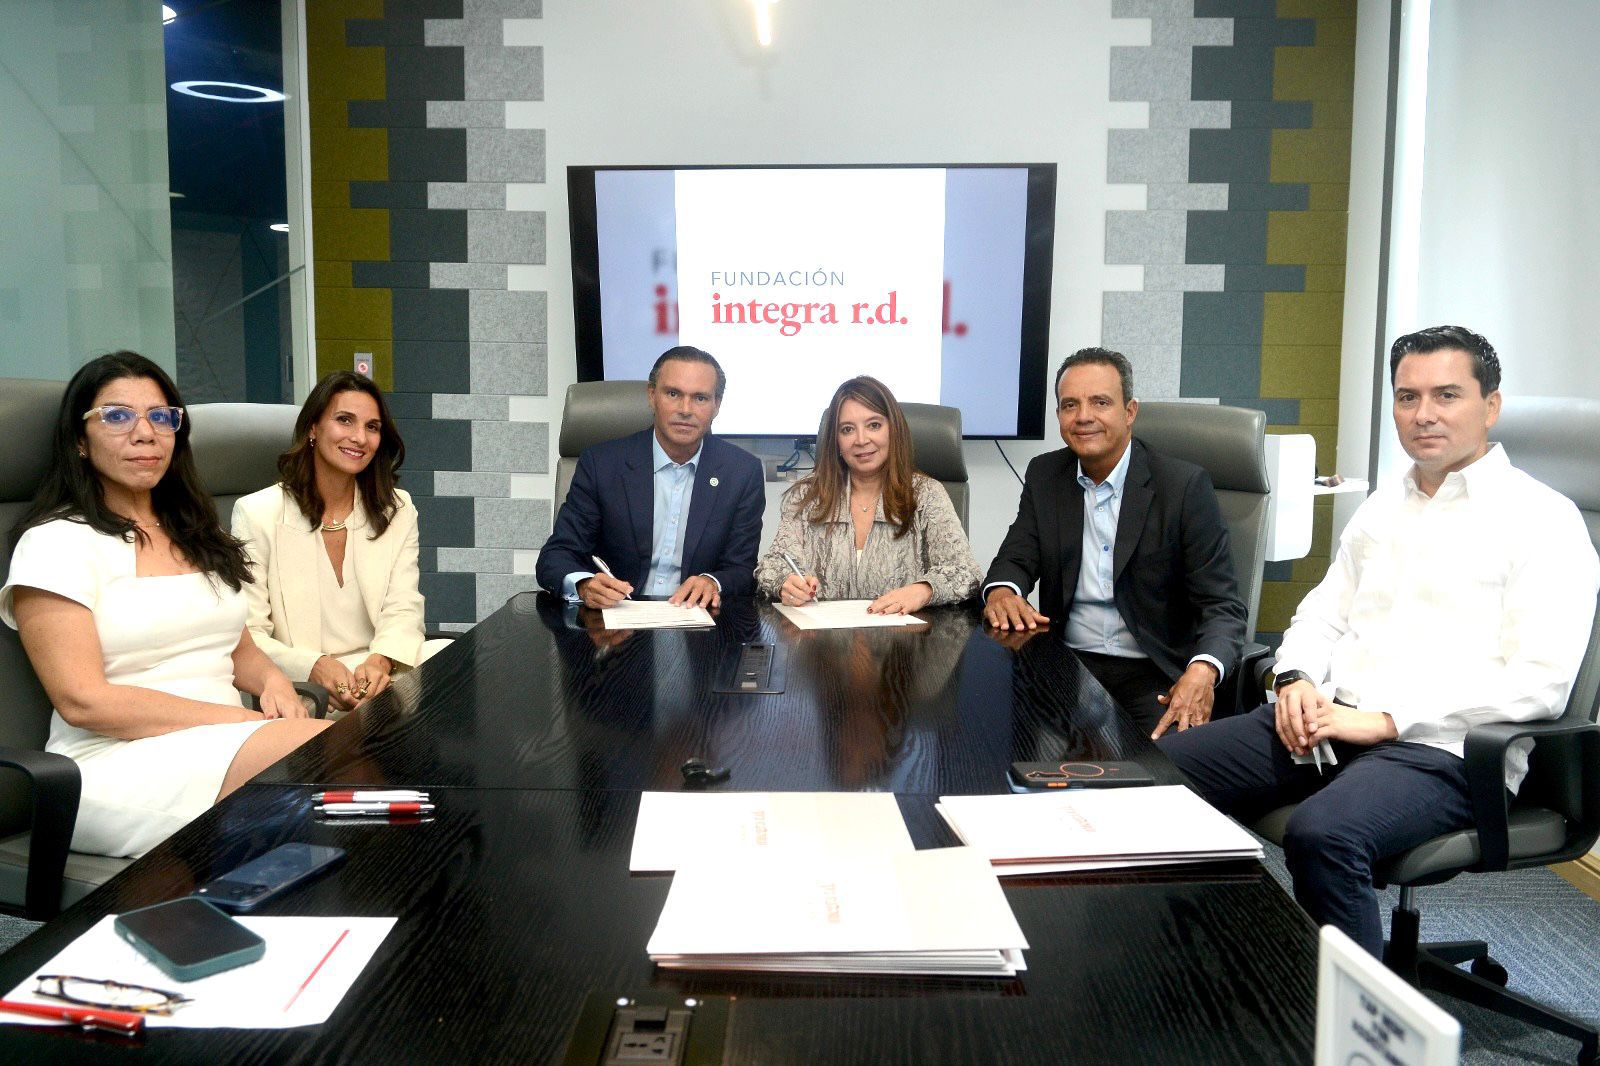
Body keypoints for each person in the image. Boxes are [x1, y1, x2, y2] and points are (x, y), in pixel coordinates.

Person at [1159, 326, 1600, 959]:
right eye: (1407, 396)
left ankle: (1357, 1019)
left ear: (1490, 406)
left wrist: (1385, 721)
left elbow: (1541, 683)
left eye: (1447, 395)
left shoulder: (1543, 519)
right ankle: (1193, 965)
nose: (1424, 414)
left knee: (1324, 835)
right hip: (1329, 723)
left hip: (1444, 753)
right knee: (1158, 775)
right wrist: (1295, 678)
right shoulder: (1383, 507)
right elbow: (1321, 615)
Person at [0, 351, 329, 858]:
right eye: (117, 415)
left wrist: (273, 682)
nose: (145, 433)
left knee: (364, 776)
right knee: (338, 759)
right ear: (79, 441)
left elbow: (236, 649)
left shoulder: (196, 532)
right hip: (112, 766)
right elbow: (83, 701)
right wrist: (239, 724)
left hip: (226, 745)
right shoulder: (55, 542)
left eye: (161, 416)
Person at [982, 347, 1247, 737]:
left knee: (1160, 763)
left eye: (1100, 402)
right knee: (996, 737)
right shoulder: (1046, 474)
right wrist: (1002, 591)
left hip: (1154, 672)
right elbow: (1016, 556)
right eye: (1070, 405)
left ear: (1129, 412)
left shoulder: (1182, 486)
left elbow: (1223, 606)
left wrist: (1203, 669)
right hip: (1068, 665)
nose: (1083, 416)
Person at [233, 371, 444, 714]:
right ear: (313, 428)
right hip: (307, 688)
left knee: (454, 662)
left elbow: (404, 605)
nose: (359, 437)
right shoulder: (257, 514)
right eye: (345, 420)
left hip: (381, 676)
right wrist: (313, 666)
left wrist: (381, 660)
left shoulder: (397, 509)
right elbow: (249, 635)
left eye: (372, 427)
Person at [536, 346, 765, 610]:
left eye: (700, 398)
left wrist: (713, 582)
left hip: (696, 617)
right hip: (615, 617)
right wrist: (584, 585)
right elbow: (557, 555)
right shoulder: (602, 464)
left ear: (717, 405)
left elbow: (742, 568)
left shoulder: (742, 472)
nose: (685, 409)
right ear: (652, 396)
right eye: (673, 394)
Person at [755, 375, 979, 612]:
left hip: (903, 634)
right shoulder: (807, 495)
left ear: (893, 430)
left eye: (874, 425)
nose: (861, 440)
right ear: (836, 440)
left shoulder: (926, 494)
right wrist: (785, 582)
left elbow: (966, 573)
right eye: (847, 429)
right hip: (822, 634)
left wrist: (923, 590)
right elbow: (772, 565)